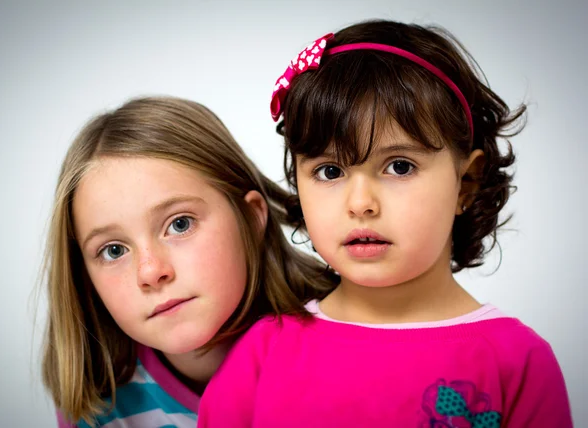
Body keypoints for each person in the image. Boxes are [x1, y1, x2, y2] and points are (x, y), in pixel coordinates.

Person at [199, 20, 573, 427]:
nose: (360, 204)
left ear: (466, 183)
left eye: (399, 166)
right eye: (328, 171)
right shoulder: (263, 351)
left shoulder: (517, 361)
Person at [40, 96, 337, 427]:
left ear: (251, 218)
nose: (151, 272)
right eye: (114, 250)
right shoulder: (100, 408)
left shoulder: (350, 343)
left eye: (179, 224)